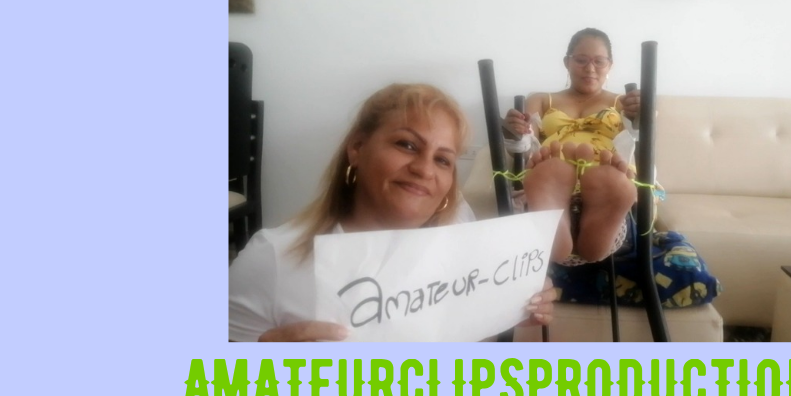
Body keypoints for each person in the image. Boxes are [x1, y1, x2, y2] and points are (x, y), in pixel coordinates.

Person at [229, 83, 555, 341]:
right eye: (407, 145)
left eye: (443, 159)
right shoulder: (273, 258)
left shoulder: (456, 228)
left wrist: (511, 302)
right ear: (357, 148)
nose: (424, 169)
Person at [501, 29, 640, 266]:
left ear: (610, 65)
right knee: (547, 173)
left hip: (605, 174)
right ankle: (555, 202)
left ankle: (597, 209)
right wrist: (512, 131)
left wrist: (641, 117)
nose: (590, 68)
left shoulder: (625, 102)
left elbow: (638, 138)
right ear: (567, 62)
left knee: (612, 180)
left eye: (599, 61)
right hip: (552, 173)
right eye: (581, 60)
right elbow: (523, 146)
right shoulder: (541, 99)